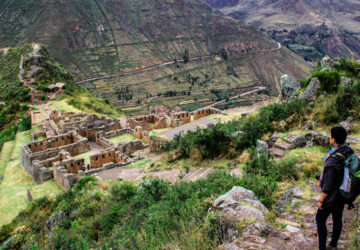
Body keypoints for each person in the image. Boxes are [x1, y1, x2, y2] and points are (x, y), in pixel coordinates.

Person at [316, 126, 354, 250]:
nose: (329, 137)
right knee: (337, 219)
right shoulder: (348, 151)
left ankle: (322, 247)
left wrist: (321, 199)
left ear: (333, 138)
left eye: (330, 135)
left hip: (332, 196)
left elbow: (328, 185)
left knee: (320, 218)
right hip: (342, 193)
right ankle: (333, 245)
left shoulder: (332, 161)